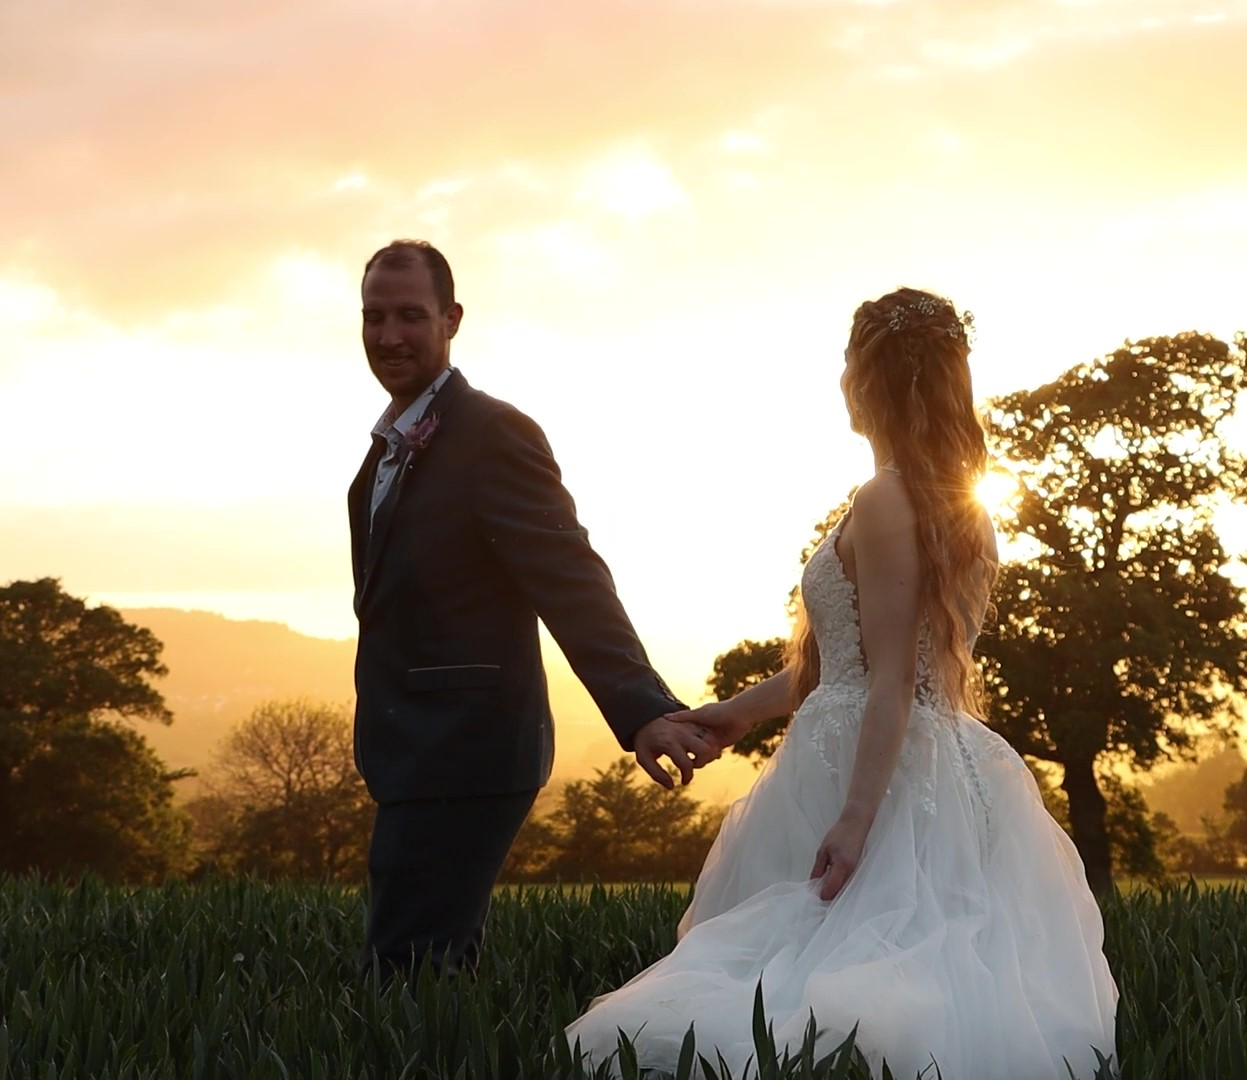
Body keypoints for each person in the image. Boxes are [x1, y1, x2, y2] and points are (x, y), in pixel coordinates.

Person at [564, 288, 1120, 1078]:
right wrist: (737, 715)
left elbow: (891, 678)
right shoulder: (955, 507)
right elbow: (838, 664)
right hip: (916, 752)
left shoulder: (886, 498)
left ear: (866, 379)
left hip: (867, 767)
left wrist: (857, 820)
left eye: (847, 364)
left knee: (825, 976)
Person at [347, 239, 717, 982]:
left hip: (467, 745)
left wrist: (641, 707)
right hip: (413, 748)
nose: (388, 335)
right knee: (422, 969)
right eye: (374, 316)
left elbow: (569, 576)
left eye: (410, 316)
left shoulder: (492, 434)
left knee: (407, 970)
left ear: (451, 318)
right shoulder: (389, 446)